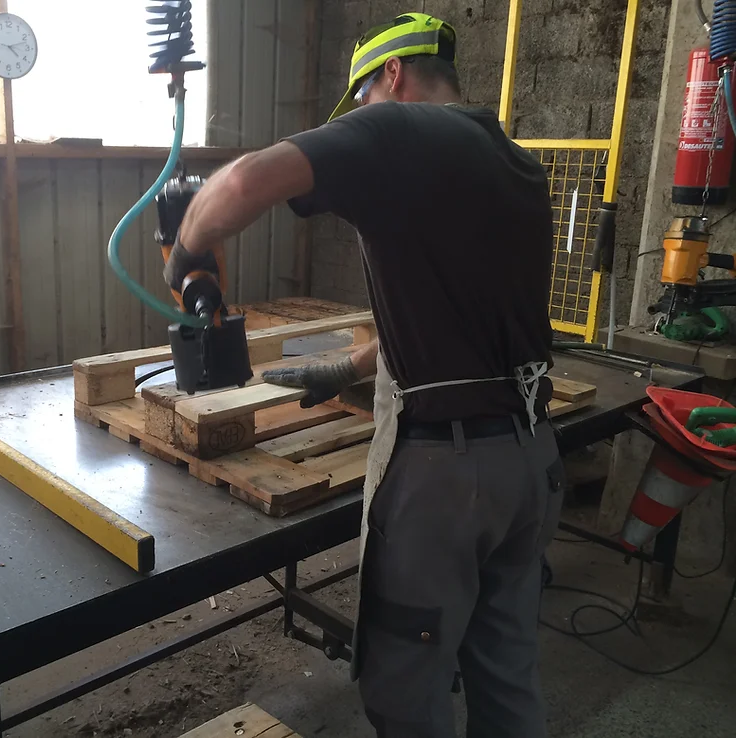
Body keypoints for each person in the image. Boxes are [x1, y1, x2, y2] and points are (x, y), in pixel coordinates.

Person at [163, 12, 565, 738]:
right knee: (506, 674)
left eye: (363, 98)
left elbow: (247, 179)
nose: (359, 116)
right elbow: (457, 321)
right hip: (530, 459)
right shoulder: (516, 164)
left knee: (405, 689)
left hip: (446, 480)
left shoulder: (396, 129)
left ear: (393, 75)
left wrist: (186, 244)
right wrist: (343, 368)